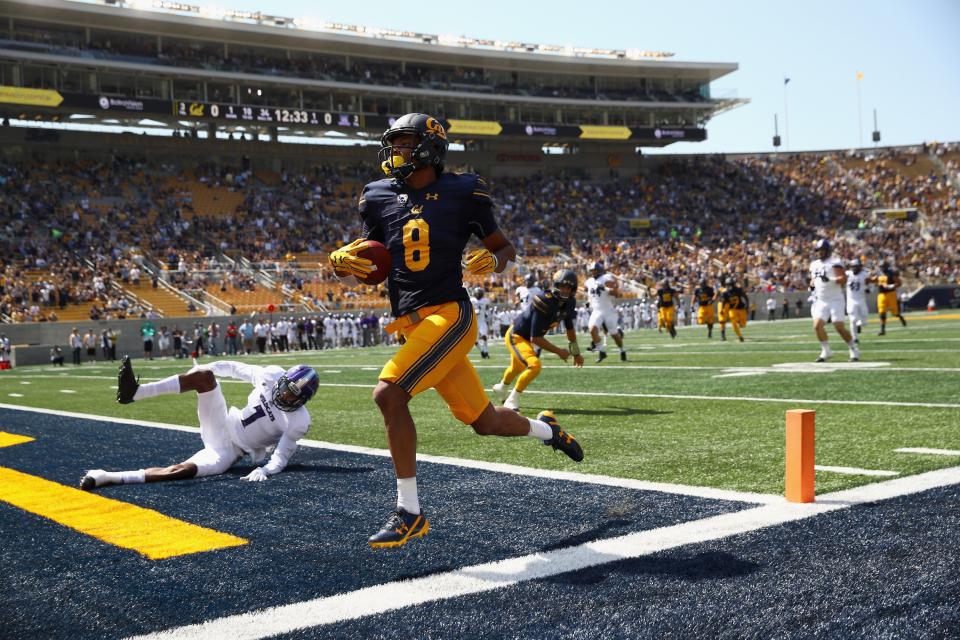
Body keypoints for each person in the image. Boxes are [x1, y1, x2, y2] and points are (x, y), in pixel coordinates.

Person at [328, 113, 584, 549]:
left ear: (430, 147)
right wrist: (340, 266)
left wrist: (495, 261)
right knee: (485, 422)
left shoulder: (464, 190)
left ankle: (409, 512)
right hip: (412, 325)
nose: (397, 152)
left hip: (450, 314)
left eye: (406, 143)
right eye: (395, 144)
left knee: (388, 393)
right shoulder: (377, 196)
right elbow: (369, 264)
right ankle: (547, 429)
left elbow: (503, 247)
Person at [80, 357, 319, 490]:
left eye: (293, 397)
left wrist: (265, 469)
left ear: (302, 401)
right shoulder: (272, 375)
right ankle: (135, 393)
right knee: (205, 377)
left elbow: (281, 457)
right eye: (287, 390)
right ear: (283, 380)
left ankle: (106, 477)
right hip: (222, 423)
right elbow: (233, 368)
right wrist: (206, 367)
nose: (286, 397)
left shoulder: (298, 421)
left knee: (181, 471)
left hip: (228, 451)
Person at [493, 269, 585, 411]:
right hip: (516, 336)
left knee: (517, 367)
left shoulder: (570, 303)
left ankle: (502, 387)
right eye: (562, 286)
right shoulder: (545, 300)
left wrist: (576, 352)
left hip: (526, 338)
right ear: (556, 285)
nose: (565, 290)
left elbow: (570, 328)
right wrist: (559, 351)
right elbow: (535, 337)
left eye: (569, 287)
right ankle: (512, 400)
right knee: (534, 365)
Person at [808, 239, 859, 362]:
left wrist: (830, 279)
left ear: (828, 250)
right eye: (818, 250)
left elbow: (843, 279)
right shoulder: (814, 264)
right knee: (817, 326)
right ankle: (826, 350)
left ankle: (853, 348)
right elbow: (813, 280)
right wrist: (811, 288)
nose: (819, 252)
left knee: (839, 326)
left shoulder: (835, 262)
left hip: (835, 299)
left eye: (822, 250)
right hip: (821, 300)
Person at [584, 261, 626, 362]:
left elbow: (617, 294)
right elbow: (591, 295)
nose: (593, 272)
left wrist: (606, 289)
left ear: (599, 270)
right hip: (597, 310)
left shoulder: (606, 278)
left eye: (595, 270)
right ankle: (602, 352)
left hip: (608, 310)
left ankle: (622, 350)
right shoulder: (589, 282)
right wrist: (588, 303)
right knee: (592, 329)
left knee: (614, 334)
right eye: (592, 270)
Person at [845, 259, 873, 341]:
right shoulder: (847, 274)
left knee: (864, 321)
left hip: (861, 299)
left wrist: (869, 289)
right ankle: (854, 338)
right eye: (853, 267)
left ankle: (859, 325)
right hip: (851, 300)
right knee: (852, 319)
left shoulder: (865, 275)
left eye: (856, 267)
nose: (854, 268)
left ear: (860, 267)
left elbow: (871, 286)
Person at [877, 262, 907, 335]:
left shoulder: (891, 273)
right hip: (881, 294)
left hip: (891, 294)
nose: (881, 268)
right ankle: (882, 330)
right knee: (882, 312)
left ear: (886, 266)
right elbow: (875, 281)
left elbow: (899, 283)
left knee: (895, 313)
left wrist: (892, 286)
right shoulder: (878, 273)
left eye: (883, 266)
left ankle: (901, 317)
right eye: (881, 266)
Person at [724, 278, 749, 342]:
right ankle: (740, 336)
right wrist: (723, 310)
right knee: (733, 322)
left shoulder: (738, 290)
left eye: (731, 284)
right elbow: (725, 303)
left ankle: (739, 321)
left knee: (743, 325)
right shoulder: (725, 293)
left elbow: (745, 297)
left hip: (741, 308)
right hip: (732, 309)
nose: (730, 286)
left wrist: (747, 305)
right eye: (728, 285)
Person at [470, 287, 492, 359]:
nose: (478, 294)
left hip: (482, 321)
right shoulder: (472, 300)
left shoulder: (485, 300)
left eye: (479, 293)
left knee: (484, 336)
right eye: (477, 293)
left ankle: (486, 350)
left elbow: (488, 309)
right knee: (474, 340)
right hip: (474, 322)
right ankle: (482, 351)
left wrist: (488, 315)